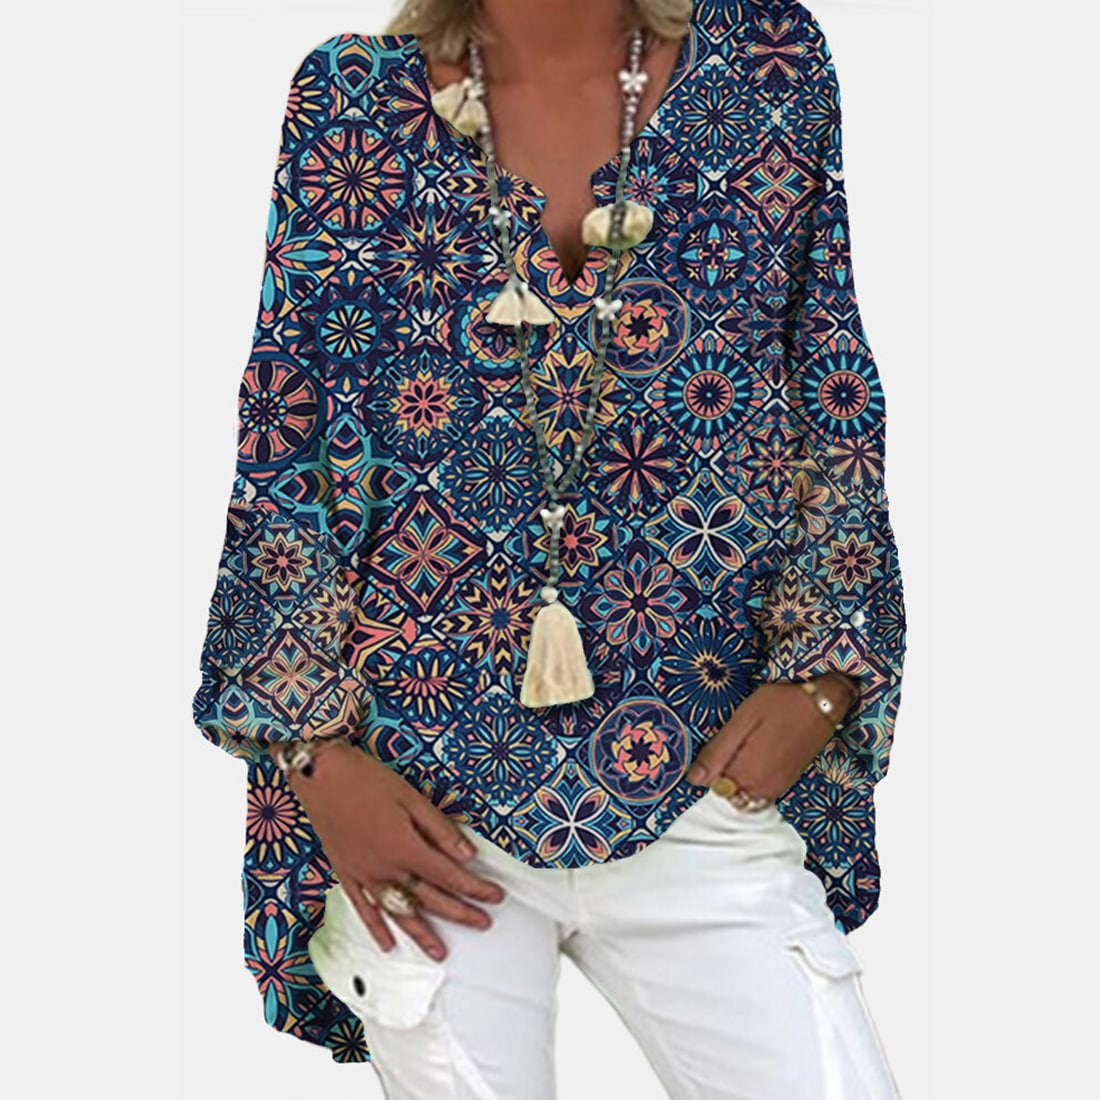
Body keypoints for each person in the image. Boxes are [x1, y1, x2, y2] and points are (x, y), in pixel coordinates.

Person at [190, 0, 907, 1095]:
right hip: (419, 797)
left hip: (700, 765)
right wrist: (314, 758)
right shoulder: (349, 102)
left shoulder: (770, 67)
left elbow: (830, 383)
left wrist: (826, 673)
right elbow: (286, 434)